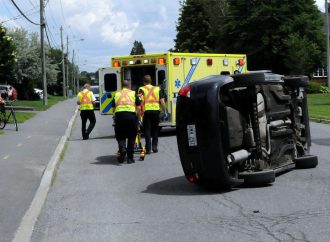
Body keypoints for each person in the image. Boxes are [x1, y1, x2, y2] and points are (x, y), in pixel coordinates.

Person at [138, 75, 167, 154]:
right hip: (156, 112)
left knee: (147, 130)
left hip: (146, 112)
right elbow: (162, 101)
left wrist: (139, 114)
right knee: (155, 130)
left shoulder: (141, 89)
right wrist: (164, 111)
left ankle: (148, 149)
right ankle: (155, 147)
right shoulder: (158, 89)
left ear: (144, 82)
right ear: (151, 81)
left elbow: (140, 102)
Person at [113, 80, 141, 164]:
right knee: (131, 138)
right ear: (129, 86)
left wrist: (115, 116)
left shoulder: (117, 94)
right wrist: (139, 119)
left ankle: (122, 149)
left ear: (122, 86)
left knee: (120, 136)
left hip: (119, 117)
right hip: (131, 117)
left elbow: (113, 108)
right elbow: (139, 108)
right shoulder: (133, 93)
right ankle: (130, 158)